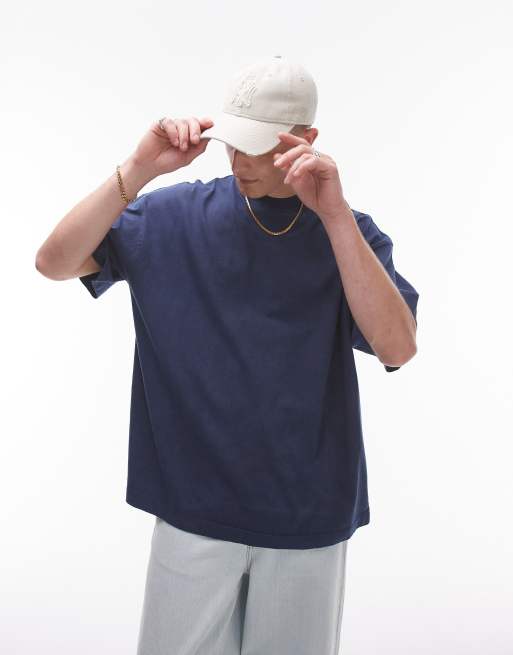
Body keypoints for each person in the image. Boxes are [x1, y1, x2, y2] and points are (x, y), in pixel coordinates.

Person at [35, 55, 419, 655]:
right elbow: (53, 262)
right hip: (193, 510)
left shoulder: (348, 233)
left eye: (257, 147)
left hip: (307, 515)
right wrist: (138, 168)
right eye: (233, 142)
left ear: (307, 139)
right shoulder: (172, 216)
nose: (239, 161)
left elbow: (398, 347)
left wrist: (335, 214)